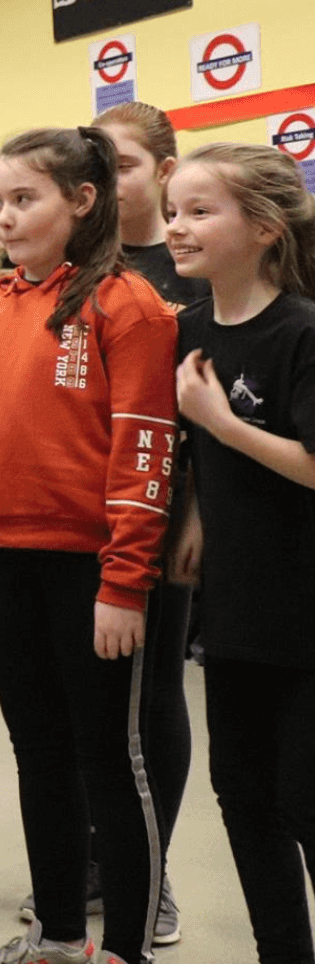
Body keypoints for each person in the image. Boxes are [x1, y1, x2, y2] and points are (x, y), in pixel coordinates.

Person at [0, 126, 174, 964]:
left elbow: (144, 452)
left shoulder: (126, 304)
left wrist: (126, 582)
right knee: (40, 758)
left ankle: (124, 951)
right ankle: (62, 935)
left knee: (110, 760)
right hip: (12, 569)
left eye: (22, 199)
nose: (3, 218)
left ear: (81, 201)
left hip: (96, 573)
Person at [162, 143, 315, 964]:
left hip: (305, 611)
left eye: (199, 211)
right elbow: (193, 458)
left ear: (260, 229)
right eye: (174, 211)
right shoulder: (187, 330)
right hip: (235, 609)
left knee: (305, 800)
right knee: (243, 797)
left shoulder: (301, 330)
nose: (177, 227)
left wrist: (223, 424)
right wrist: (191, 514)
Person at [91, 100, 203, 946]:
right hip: (75, 519)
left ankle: (153, 877)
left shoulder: (192, 266)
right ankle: (103, 864)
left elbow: (198, 404)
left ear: (164, 172)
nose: (106, 177)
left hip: (163, 518)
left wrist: (192, 510)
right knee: (86, 705)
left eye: (123, 163)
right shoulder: (78, 264)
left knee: (149, 696)